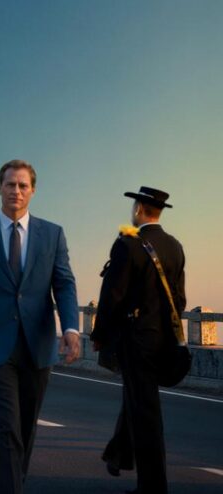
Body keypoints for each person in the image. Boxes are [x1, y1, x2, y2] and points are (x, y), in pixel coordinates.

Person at [0, 160, 81, 494]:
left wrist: (70, 328)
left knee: (25, 426)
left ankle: (11, 484)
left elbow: (64, 284)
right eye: (10, 185)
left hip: (37, 343)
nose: (16, 191)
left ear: (33, 191)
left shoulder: (52, 234)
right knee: (5, 425)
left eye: (23, 185)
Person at [91, 187, 185, 493]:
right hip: (164, 340)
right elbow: (180, 300)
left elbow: (112, 297)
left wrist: (100, 334)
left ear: (139, 209)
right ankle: (118, 454)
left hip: (136, 340)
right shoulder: (175, 246)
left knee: (146, 412)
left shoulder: (128, 244)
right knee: (137, 397)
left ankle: (153, 487)